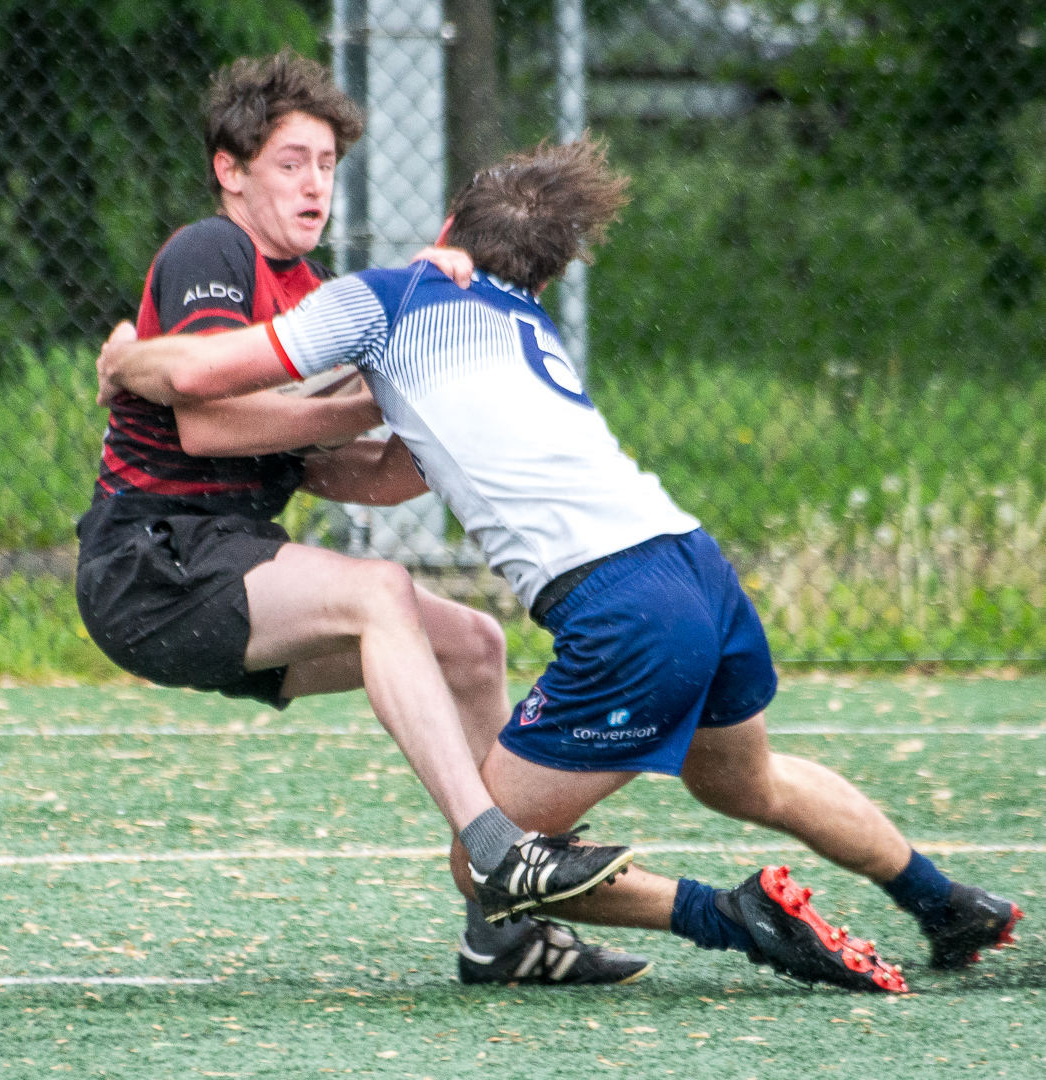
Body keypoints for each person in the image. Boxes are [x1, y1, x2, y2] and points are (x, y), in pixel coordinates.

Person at [97, 137, 1024, 991]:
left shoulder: (388, 295)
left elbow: (195, 379)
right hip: (698, 568)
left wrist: (131, 360)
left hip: (627, 610)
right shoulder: (524, 327)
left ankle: (734, 916)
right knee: (749, 781)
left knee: (489, 857)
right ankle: (944, 903)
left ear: (451, 228)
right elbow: (388, 474)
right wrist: (301, 452)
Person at [77, 51, 648, 985]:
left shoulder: (310, 295)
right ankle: (501, 847)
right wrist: (375, 386)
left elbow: (374, 480)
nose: (314, 183)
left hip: (232, 564)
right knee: (379, 589)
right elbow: (210, 423)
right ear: (232, 170)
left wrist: (441, 382)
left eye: (327, 164)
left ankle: (505, 933)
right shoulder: (211, 252)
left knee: (469, 645)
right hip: (151, 567)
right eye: (291, 161)